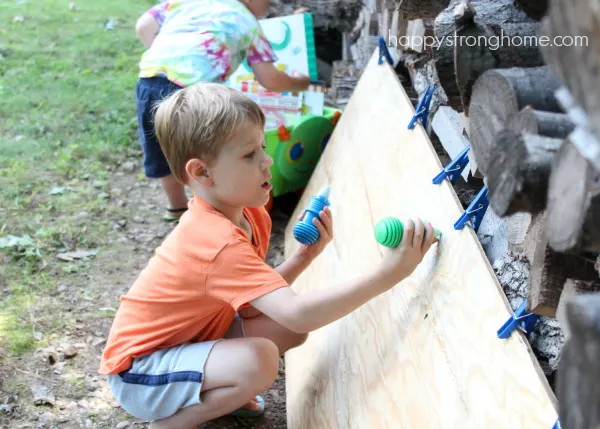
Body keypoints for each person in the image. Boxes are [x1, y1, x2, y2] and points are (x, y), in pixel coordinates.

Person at [98, 83, 439, 429]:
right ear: (202, 173)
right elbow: (298, 314)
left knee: (286, 333)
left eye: (262, 146)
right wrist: (390, 274)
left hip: (189, 340)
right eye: (250, 155)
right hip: (140, 372)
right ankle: (172, 423)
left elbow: (251, 304)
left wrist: (304, 257)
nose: (267, 161)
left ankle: (220, 392)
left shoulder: (249, 213)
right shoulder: (216, 242)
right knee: (261, 360)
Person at [133, 0, 311, 222]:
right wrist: (300, 83)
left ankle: (176, 207)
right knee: (210, 154)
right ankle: (213, 211)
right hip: (196, 94)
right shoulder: (249, 23)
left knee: (162, 148)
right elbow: (271, 79)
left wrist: (170, 56)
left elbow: (144, 26)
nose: (270, 5)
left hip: (150, 81)